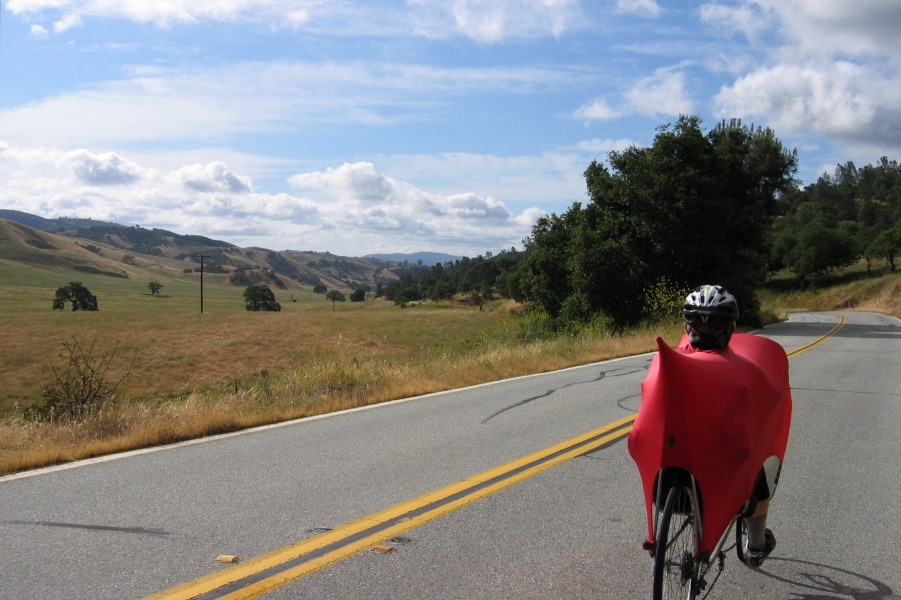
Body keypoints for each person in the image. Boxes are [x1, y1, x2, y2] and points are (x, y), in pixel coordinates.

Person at [682, 284, 779, 567]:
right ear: (732, 326)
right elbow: (767, 411)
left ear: (687, 324)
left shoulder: (669, 362)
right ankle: (757, 544)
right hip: (726, 467)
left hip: (676, 466)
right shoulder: (746, 370)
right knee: (758, 475)